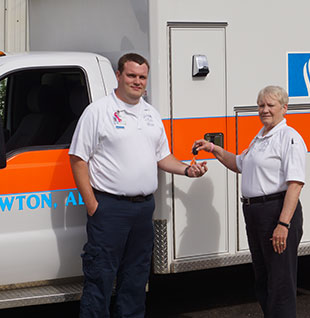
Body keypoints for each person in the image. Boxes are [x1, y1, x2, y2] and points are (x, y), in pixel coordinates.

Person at [69, 53, 208, 318]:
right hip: (109, 208)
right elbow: (77, 159)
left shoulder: (151, 114)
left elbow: (162, 157)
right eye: (131, 75)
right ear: (118, 75)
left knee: (135, 278)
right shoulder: (98, 112)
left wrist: (187, 170)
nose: (137, 81)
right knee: (100, 277)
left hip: (143, 209)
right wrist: (92, 205)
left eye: (142, 77)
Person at [193, 85, 306, 318]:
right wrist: (212, 148)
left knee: (280, 283)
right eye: (261, 105)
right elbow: (238, 163)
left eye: (270, 105)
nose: (264, 110)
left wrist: (283, 224)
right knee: (263, 279)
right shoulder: (260, 138)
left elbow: (295, 184)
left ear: (284, 108)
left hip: (276, 212)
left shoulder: (289, 137)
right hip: (255, 214)